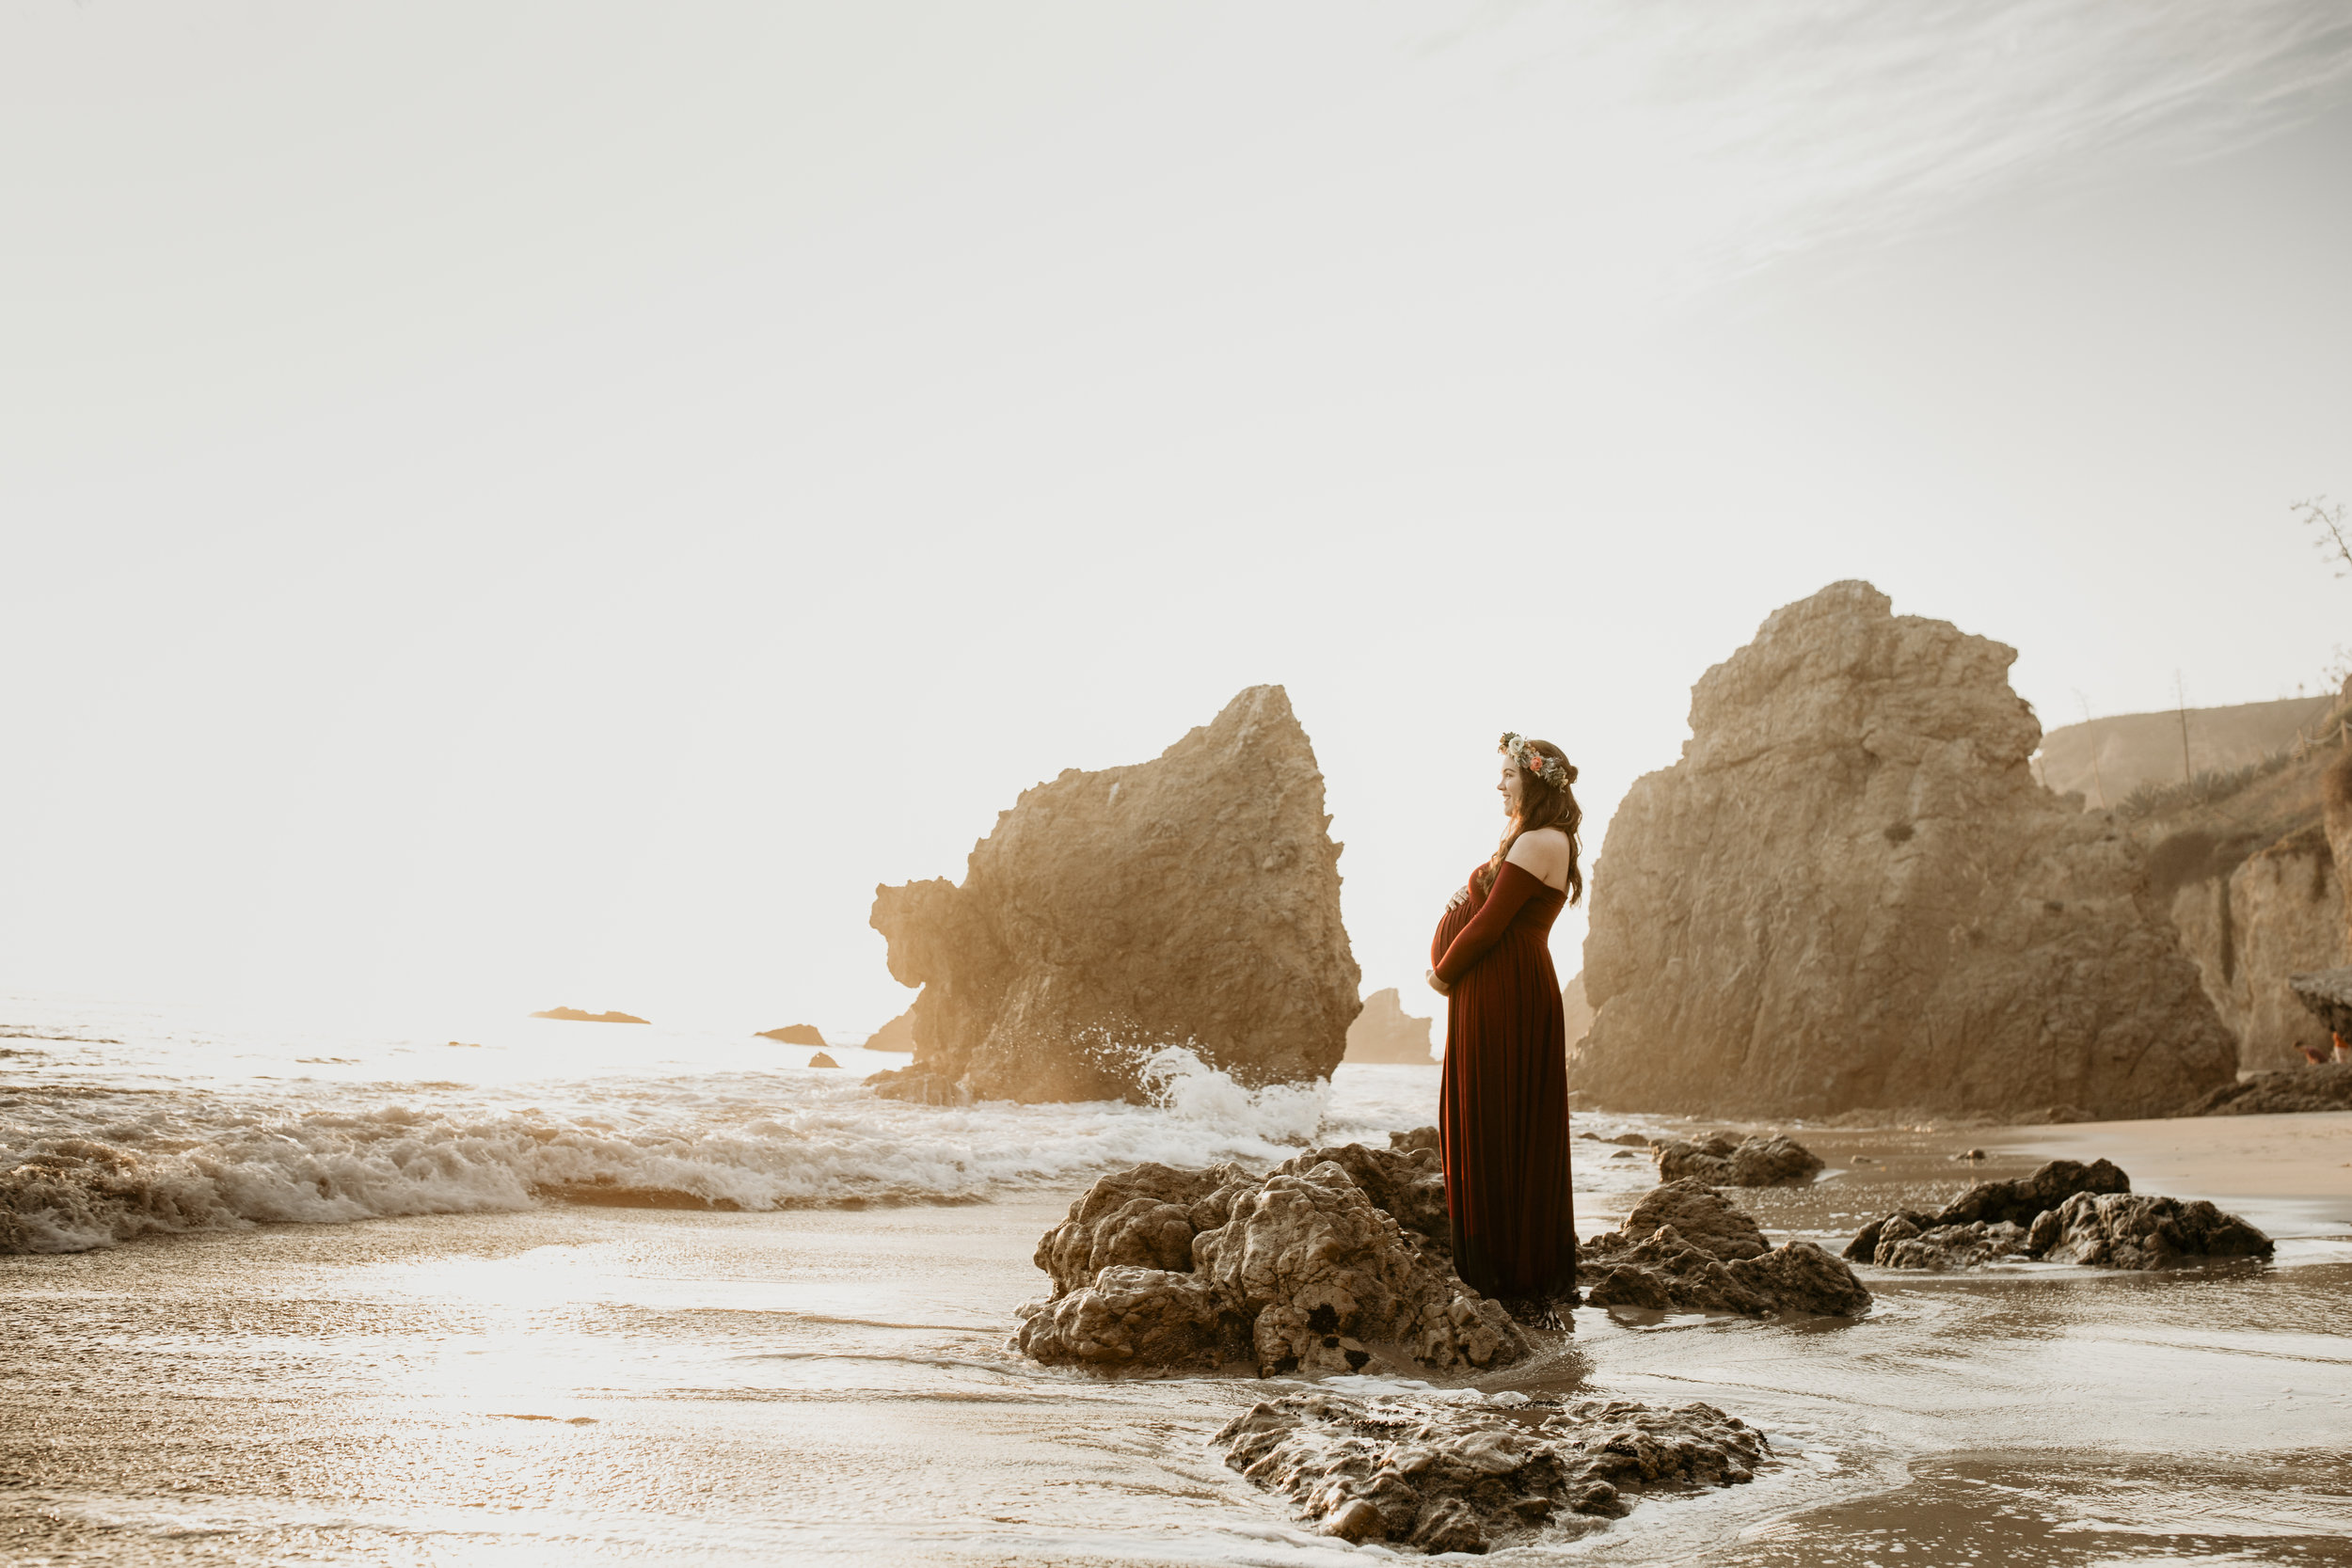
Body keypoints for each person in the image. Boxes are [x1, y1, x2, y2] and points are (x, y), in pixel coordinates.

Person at [1425, 731, 1582, 1323]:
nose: (1499, 785)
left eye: (1509, 776)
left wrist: (1442, 975)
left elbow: (1490, 925)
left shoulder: (1541, 840)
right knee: (1499, 1115)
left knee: (1497, 1115)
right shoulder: (1536, 838)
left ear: (1535, 781)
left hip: (1504, 990)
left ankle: (1504, 1272)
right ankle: (1507, 1262)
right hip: (1502, 986)